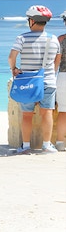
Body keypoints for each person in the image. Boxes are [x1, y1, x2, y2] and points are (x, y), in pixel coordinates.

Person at [8, 5, 60, 153]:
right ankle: (46, 145)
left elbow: (11, 57)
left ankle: (25, 146)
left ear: (32, 21)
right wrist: (51, 73)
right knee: (47, 113)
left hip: (28, 82)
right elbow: (57, 60)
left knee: (26, 115)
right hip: (48, 81)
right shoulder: (54, 39)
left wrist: (14, 69)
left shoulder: (22, 38)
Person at [58, 11, 66, 151]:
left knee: (63, 111)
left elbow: (55, 61)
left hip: (63, 76)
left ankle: (59, 143)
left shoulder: (60, 39)